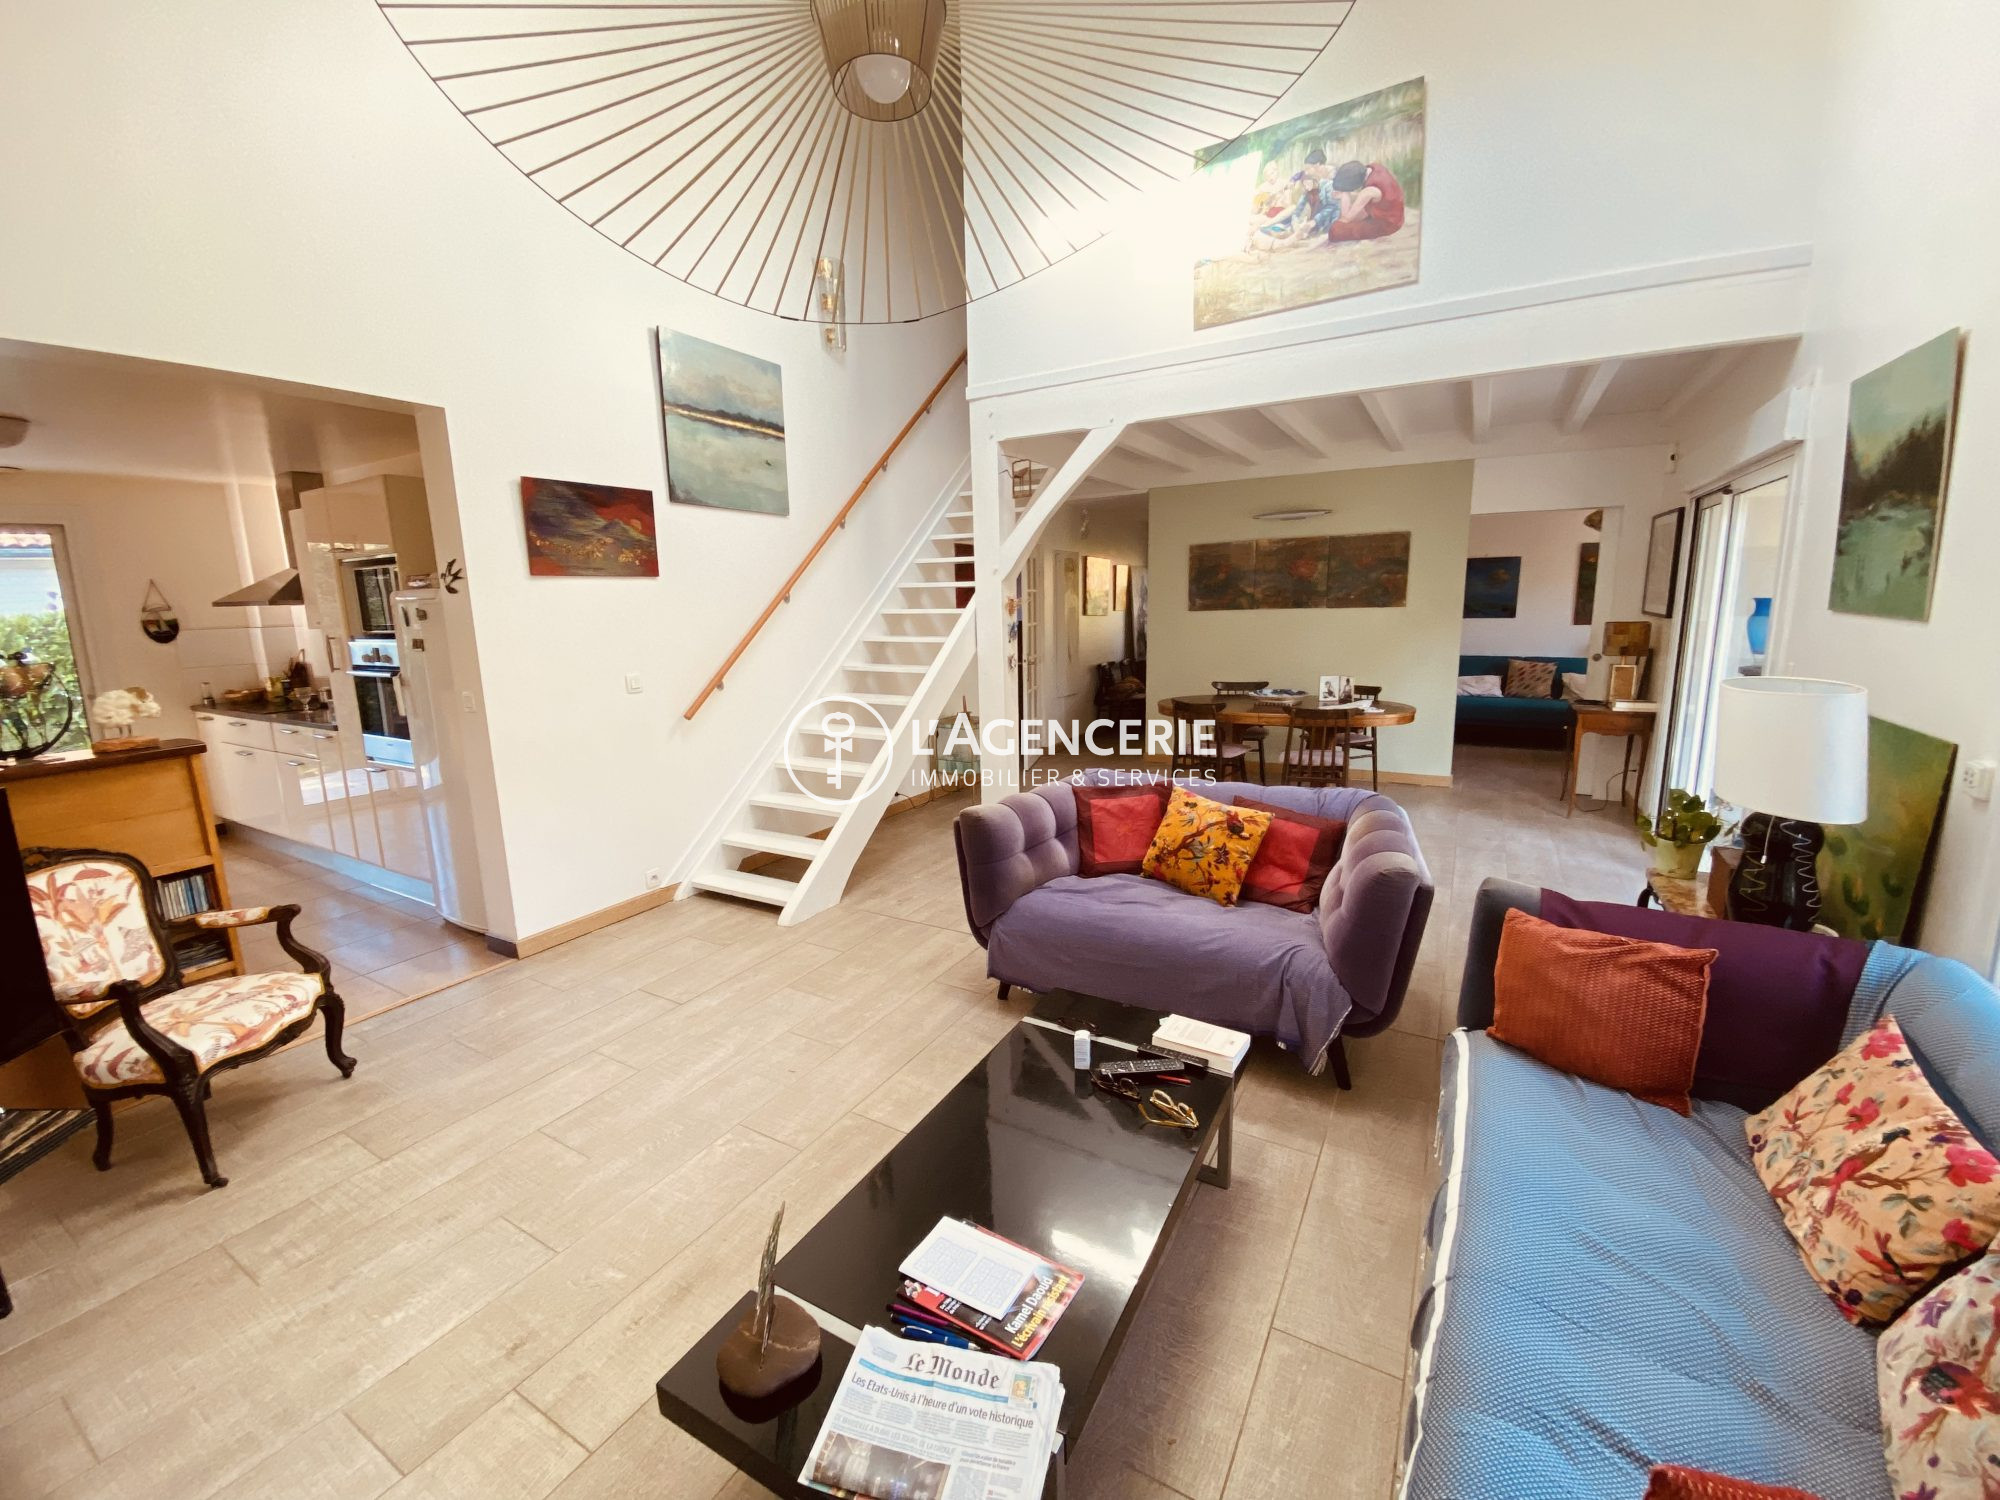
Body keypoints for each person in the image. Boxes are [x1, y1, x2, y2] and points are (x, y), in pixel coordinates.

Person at [1320, 157, 1406, 243]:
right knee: (1349, 220)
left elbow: (1346, 218)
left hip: (1387, 224)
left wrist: (1344, 194)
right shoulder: (1374, 168)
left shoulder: (1368, 191)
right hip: (1386, 213)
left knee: (1335, 230)